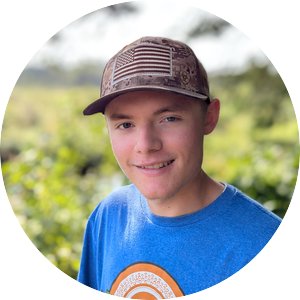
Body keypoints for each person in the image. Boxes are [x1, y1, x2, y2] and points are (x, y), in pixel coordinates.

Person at [77, 36, 281, 298]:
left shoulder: (262, 245)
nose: (146, 145)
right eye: (125, 125)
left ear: (209, 117)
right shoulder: (109, 216)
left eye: (169, 118)